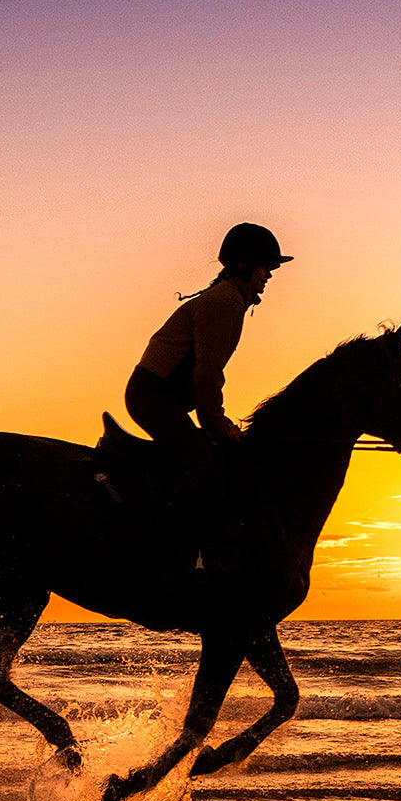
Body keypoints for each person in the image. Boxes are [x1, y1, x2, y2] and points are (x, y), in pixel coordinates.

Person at [124, 223, 292, 568]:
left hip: (162, 397)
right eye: (266, 268)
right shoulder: (225, 302)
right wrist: (217, 425)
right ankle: (172, 555)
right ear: (245, 265)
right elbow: (207, 374)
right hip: (152, 395)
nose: (269, 276)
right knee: (202, 463)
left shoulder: (231, 301)